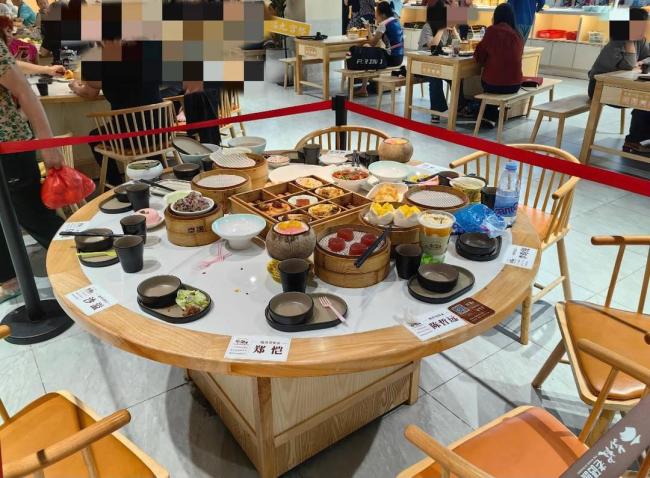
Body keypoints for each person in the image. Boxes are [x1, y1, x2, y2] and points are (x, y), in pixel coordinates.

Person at [0, 27, 64, 303]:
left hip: (10, 145)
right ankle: (9, 280)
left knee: (31, 213)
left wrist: (48, 145)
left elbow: (24, 91)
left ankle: (83, 258)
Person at [69, 40, 163, 186]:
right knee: (146, 125)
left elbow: (89, 93)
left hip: (129, 136)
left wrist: (75, 86)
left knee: (94, 137)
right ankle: (159, 174)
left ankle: (115, 184)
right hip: (162, 129)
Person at [587, 7, 649, 156]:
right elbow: (628, 65)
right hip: (599, 87)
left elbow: (647, 57)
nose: (644, 28)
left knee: (646, 99)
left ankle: (637, 138)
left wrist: (642, 63)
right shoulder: (616, 41)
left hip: (622, 85)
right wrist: (629, 42)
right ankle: (633, 141)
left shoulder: (640, 40)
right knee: (645, 101)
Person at [473, 3, 523, 127]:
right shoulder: (518, 34)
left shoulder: (492, 31)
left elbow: (479, 56)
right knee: (495, 77)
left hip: (493, 85)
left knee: (487, 79)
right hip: (515, 85)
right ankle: (491, 114)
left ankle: (486, 114)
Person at [418, 2, 466, 123]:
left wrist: (454, 31)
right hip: (421, 63)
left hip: (439, 63)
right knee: (435, 76)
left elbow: (460, 46)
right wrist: (441, 28)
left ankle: (460, 107)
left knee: (457, 77)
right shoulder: (428, 26)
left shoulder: (448, 29)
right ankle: (437, 111)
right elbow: (432, 45)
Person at [356, 1, 404, 96]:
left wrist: (368, 29)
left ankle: (363, 88)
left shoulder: (383, 24)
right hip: (400, 57)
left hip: (392, 58)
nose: (375, 16)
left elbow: (372, 43)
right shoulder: (396, 21)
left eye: (376, 13)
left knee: (366, 48)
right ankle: (365, 86)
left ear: (383, 14)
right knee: (373, 51)